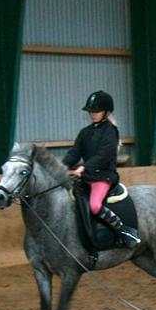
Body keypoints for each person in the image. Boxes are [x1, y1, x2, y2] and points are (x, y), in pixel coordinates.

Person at [62, 90, 140, 247]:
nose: (93, 114)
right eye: (91, 111)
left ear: (106, 112)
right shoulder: (85, 132)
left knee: (95, 205)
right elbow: (74, 152)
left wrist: (84, 167)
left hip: (103, 177)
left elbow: (104, 156)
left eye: (96, 111)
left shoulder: (110, 131)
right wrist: (61, 167)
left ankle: (124, 231)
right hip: (86, 177)